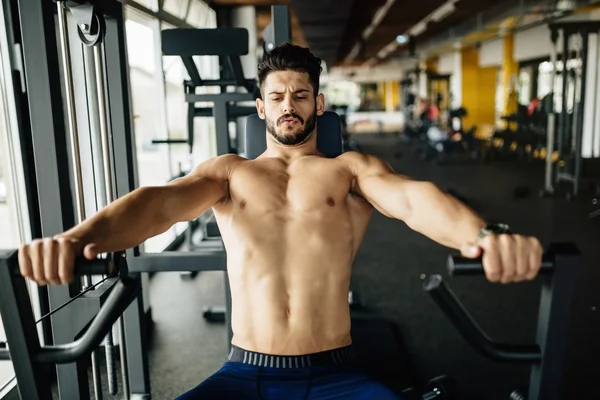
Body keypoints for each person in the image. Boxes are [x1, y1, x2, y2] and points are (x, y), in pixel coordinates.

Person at [17, 44, 544, 400]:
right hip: (243, 374)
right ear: (260, 108)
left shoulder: (350, 171)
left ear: (318, 102)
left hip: (339, 374)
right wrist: (77, 237)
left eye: (298, 95)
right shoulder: (229, 173)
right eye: (276, 97)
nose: (287, 105)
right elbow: (158, 205)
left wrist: (484, 236)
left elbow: (413, 200)